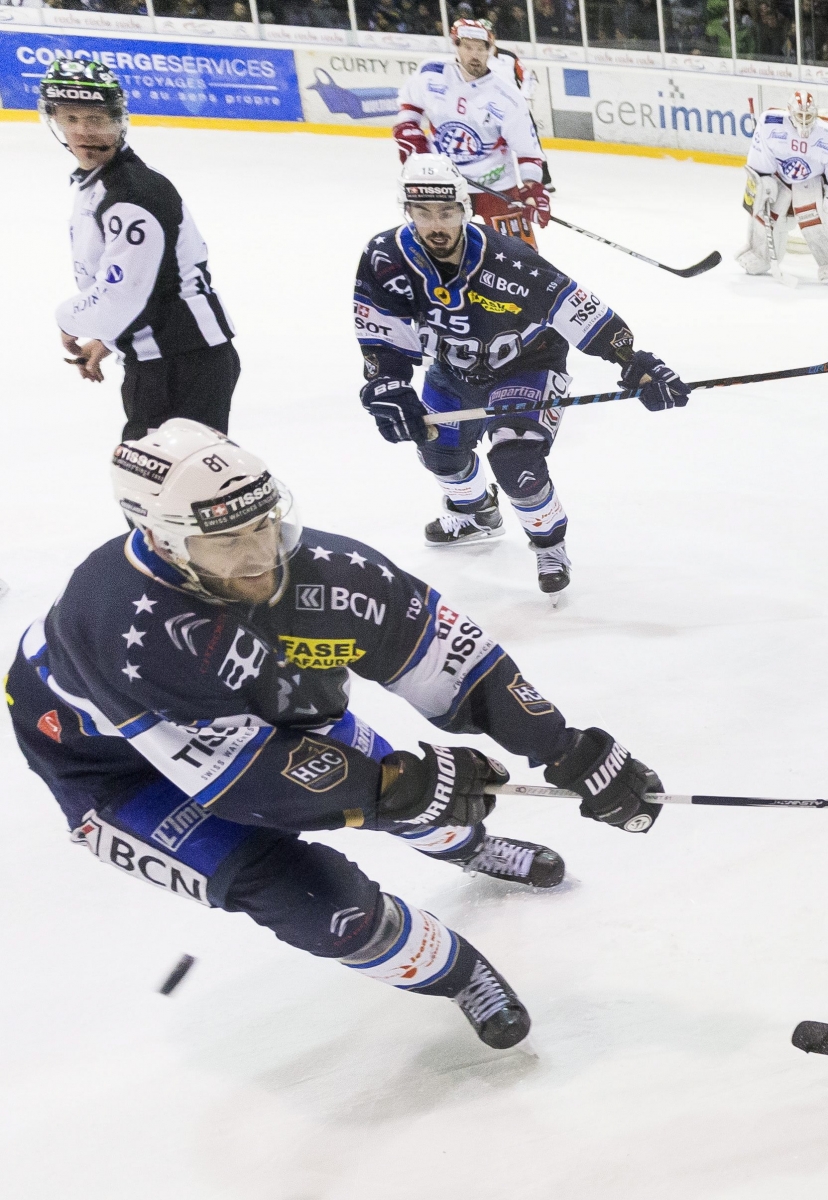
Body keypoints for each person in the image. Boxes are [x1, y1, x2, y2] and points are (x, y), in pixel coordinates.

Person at [9, 420, 668, 1047]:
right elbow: (245, 786)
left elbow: (451, 660)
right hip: (113, 774)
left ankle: (467, 848)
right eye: (229, 541)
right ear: (159, 540)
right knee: (322, 906)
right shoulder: (115, 621)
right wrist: (392, 788)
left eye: (265, 523)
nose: (261, 556)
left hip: (245, 707)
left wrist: (565, 748)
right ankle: (457, 972)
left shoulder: (320, 567)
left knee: (419, 798)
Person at [353, 154, 690, 595]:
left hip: (529, 365)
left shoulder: (510, 260)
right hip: (452, 370)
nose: (436, 224)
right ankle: (474, 513)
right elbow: (381, 331)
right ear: (407, 210)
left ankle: (550, 544)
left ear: (465, 209)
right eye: (423, 212)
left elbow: (577, 309)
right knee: (438, 452)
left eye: (447, 212)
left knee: (516, 460)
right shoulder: (385, 258)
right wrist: (389, 384)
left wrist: (635, 364)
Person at [41, 59, 238, 441]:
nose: (82, 131)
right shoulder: (101, 184)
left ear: (118, 121)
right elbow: (148, 284)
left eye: (95, 119)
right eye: (70, 117)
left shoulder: (132, 195)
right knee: (167, 488)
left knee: (167, 487)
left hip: (181, 364)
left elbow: (121, 297)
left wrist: (67, 319)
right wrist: (109, 338)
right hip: (165, 358)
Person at [393, 18, 550, 246]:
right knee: (440, 248)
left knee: (522, 254)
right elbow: (410, 105)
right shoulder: (431, 74)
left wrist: (532, 187)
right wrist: (407, 127)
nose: (474, 55)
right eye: (467, 47)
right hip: (442, 181)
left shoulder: (507, 96)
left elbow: (529, 152)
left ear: (490, 49)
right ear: (456, 46)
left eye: (480, 48)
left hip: (495, 184)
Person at [737, 91, 828, 284]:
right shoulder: (770, 124)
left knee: (811, 212)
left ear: (815, 114)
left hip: (811, 182)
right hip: (779, 178)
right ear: (790, 112)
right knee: (764, 204)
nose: (804, 120)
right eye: (799, 115)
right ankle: (759, 254)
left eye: (808, 116)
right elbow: (759, 168)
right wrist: (762, 184)